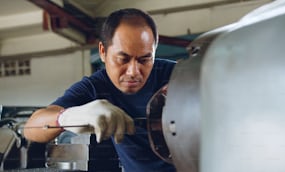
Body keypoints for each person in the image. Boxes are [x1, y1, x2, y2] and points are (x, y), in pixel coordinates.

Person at [24, 8, 177, 172]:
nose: (133, 71)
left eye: (145, 59)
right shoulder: (96, 87)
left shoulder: (180, 76)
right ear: (103, 52)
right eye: (122, 59)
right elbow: (31, 128)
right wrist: (66, 117)